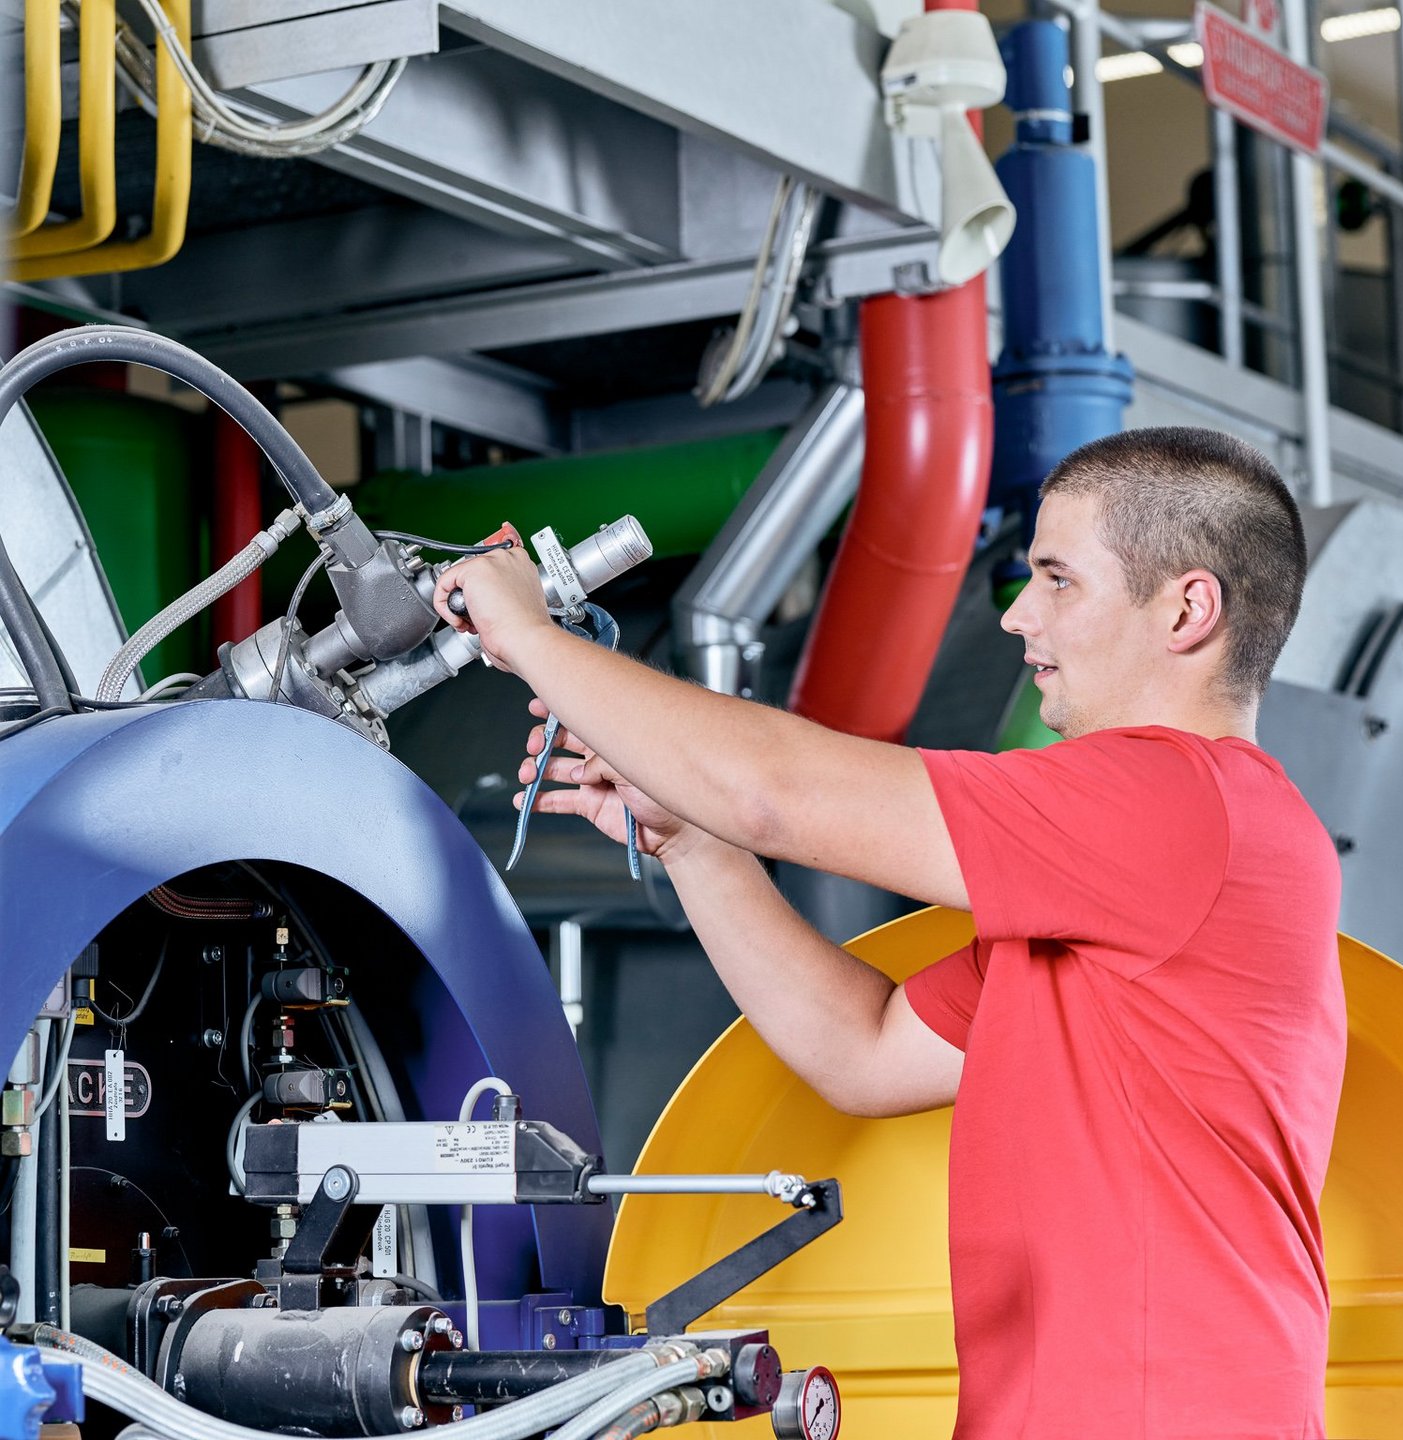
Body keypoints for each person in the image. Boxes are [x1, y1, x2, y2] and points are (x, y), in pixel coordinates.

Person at [434, 425, 1345, 1440]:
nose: (1017, 616)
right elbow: (861, 1050)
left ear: (1187, 608)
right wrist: (694, 845)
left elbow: (778, 793)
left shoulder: (1184, 802)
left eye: (1057, 580)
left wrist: (529, 638)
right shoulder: (1125, 875)